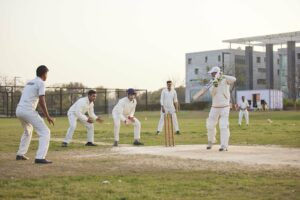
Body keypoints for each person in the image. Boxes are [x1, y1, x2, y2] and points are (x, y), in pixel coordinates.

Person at [16, 65, 54, 164]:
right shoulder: (41, 83)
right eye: (47, 74)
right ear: (44, 74)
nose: (47, 76)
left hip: (19, 110)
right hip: (28, 110)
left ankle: (20, 154)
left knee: (28, 130)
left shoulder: (29, 82)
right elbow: (42, 101)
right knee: (45, 131)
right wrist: (48, 116)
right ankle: (40, 158)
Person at [199, 66, 236, 151]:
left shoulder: (225, 79)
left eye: (213, 73)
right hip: (215, 106)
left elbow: (234, 79)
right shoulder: (212, 82)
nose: (211, 75)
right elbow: (212, 93)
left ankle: (224, 146)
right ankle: (211, 141)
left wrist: (222, 76)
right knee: (210, 124)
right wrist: (215, 85)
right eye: (211, 74)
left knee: (223, 125)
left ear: (217, 73)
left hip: (225, 106)